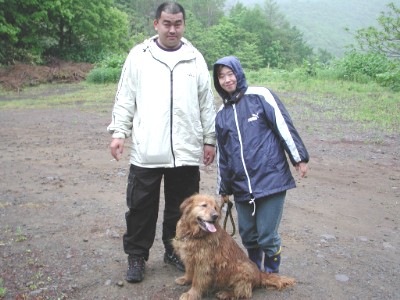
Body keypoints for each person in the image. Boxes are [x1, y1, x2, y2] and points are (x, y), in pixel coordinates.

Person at [107, 2, 216, 283]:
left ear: (184, 25)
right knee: (141, 208)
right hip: (147, 150)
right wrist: (119, 133)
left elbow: (206, 103)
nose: (172, 29)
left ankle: (174, 252)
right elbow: (125, 97)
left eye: (177, 23)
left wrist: (209, 140)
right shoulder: (139, 56)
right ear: (156, 24)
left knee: (181, 208)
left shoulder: (195, 58)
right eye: (166, 23)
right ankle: (136, 257)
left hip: (186, 151)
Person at [213, 56, 309, 274]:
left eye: (230, 74)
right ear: (217, 81)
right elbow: (223, 156)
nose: (227, 80)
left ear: (239, 73)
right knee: (248, 234)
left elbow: (283, 126)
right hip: (241, 186)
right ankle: (255, 272)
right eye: (221, 77)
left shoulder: (260, 96)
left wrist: (299, 158)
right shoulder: (221, 115)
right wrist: (224, 189)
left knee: (267, 234)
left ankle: (271, 274)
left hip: (271, 178)